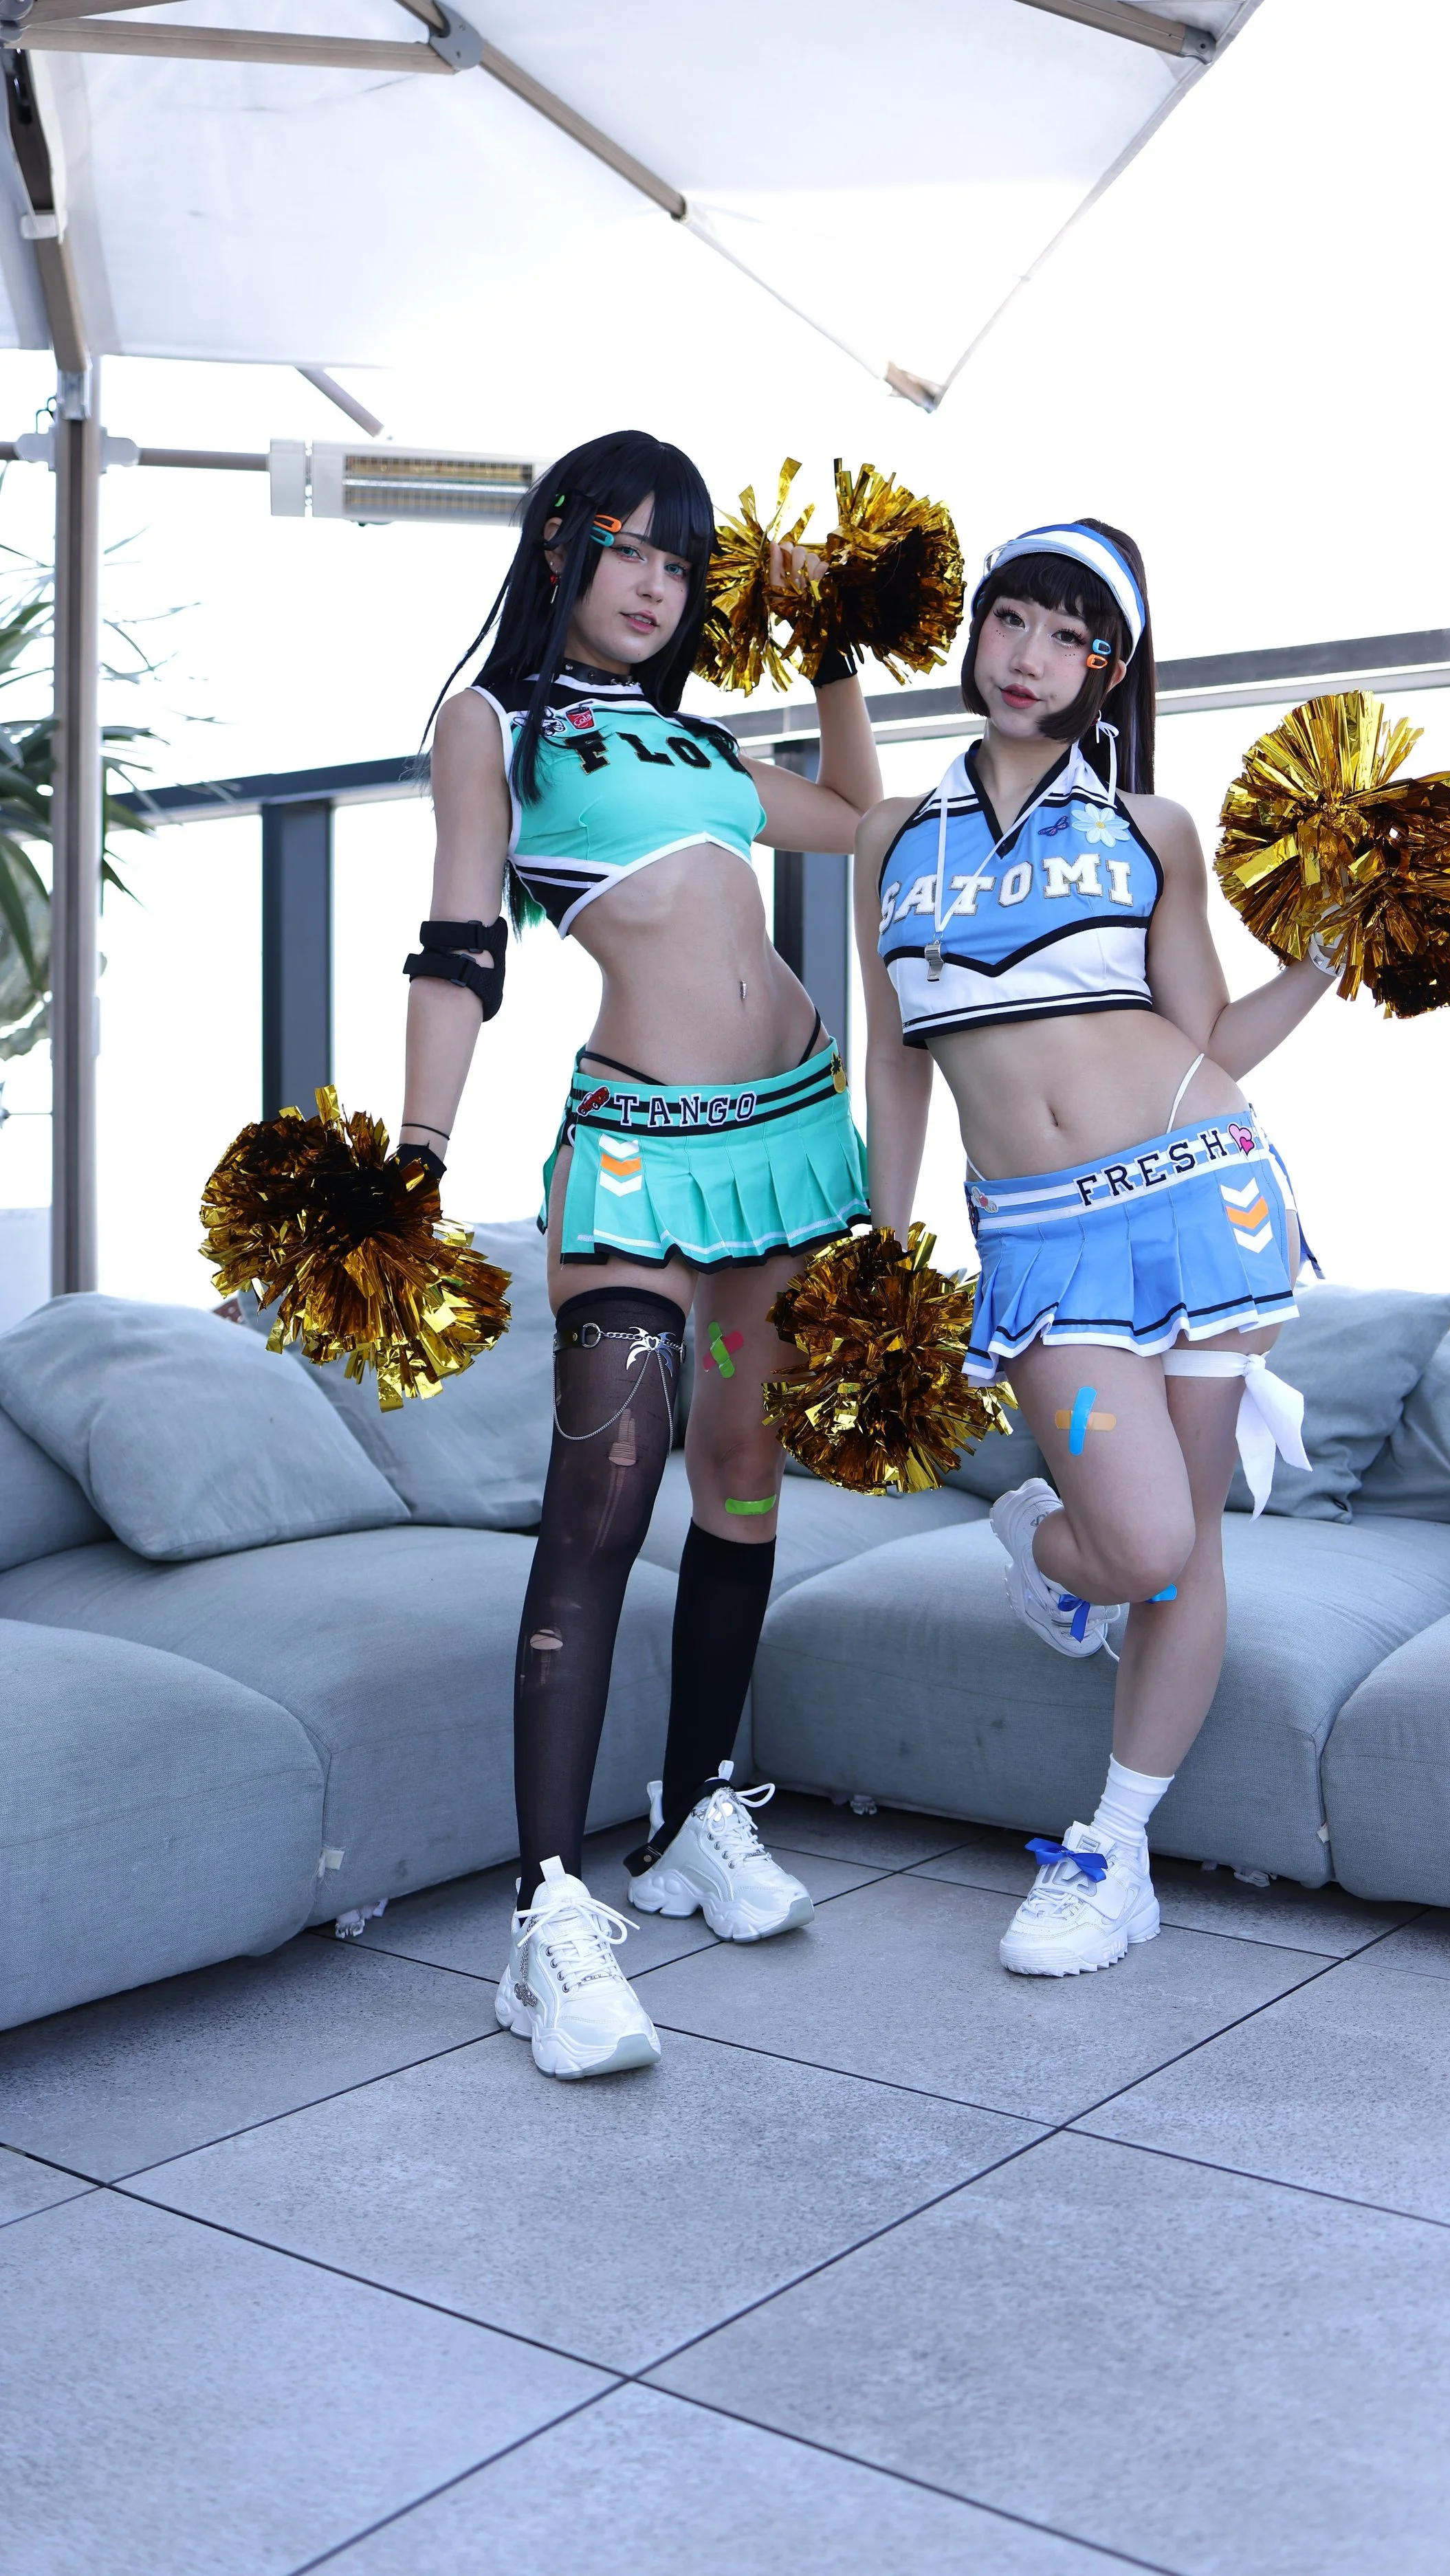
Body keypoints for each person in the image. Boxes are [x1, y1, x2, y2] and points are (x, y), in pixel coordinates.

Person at [400, 428, 881, 2078]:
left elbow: (852, 814)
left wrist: (824, 648)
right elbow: (463, 947)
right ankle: (545, 1915)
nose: (656, 581)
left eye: (681, 560)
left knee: (740, 1477)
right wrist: (415, 1156)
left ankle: (687, 1821)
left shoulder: (697, 741)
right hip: (637, 1152)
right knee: (602, 1495)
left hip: (791, 1137)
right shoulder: (497, 724)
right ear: (558, 551)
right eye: (628, 547)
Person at [855, 518, 1333, 1978]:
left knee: (1180, 1559)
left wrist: (1320, 955)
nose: (1032, 656)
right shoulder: (889, 837)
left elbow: (1208, 1037)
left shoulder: (1150, 829)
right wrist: (878, 1254)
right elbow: (896, 1067)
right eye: (1015, 618)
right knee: (1134, 1540)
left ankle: (1112, 1851)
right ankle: (1042, 1546)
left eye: (1073, 637)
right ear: (977, 629)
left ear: (1105, 673)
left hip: (1205, 1188)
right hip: (1038, 1235)